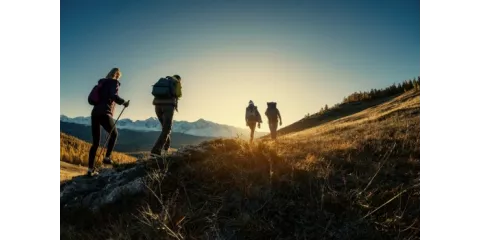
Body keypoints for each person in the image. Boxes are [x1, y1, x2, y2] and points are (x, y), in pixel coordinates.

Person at [87, 67, 130, 176]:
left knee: (95, 143)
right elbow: (113, 96)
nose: (118, 78)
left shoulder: (101, 83)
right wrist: (123, 102)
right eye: (118, 76)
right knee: (114, 134)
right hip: (105, 112)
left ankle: (90, 170)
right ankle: (107, 158)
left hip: (95, 113)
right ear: (116, 75)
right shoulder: (114, 82)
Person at [150, 74, 182, 159]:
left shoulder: (164, 80)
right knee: (166, 129)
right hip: (168, 106)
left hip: (157, 106)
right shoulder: (176, 82)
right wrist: (178, 86)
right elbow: (179, 94)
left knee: (165, 129)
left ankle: (166, 148)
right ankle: (155, 151)